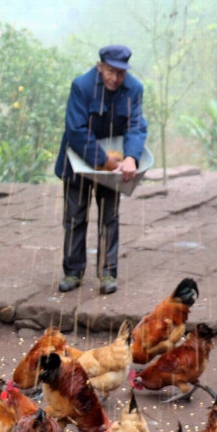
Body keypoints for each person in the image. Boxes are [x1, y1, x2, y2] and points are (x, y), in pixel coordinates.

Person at [54, 45, 148, 296]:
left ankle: (108, 273)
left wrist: (130, 158)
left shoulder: (134, 89)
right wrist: (101, 158)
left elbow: (136, 126)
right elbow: (76, 130)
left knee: (110, 217)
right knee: (75, 217)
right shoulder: (82, 86)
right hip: (78, 162)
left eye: (120, 73)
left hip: (112, 169)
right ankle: (73, 272)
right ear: (100, 66)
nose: (115, 78)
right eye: (110, 71)